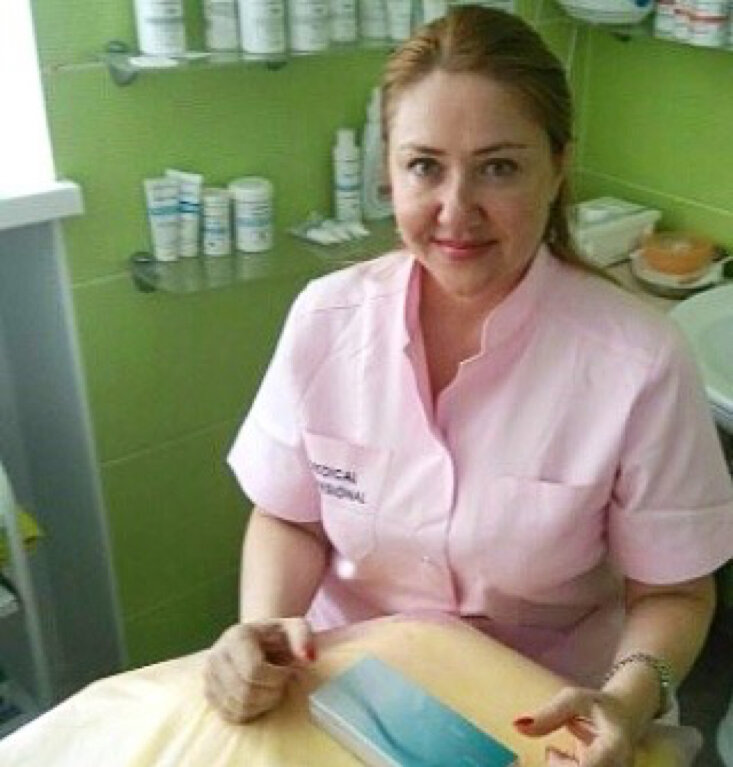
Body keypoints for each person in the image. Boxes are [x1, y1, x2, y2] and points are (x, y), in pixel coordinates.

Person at [205, 6, 733, 764]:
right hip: (348, 696)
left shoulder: (638, 362)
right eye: (425, 166)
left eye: (499, 167)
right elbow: (289, 517)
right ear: (388, 171)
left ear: (557, 168)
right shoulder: (326, 320)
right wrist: (260, 628)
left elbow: (674, 591)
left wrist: (624, 699)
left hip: (550, 718)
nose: (456, 211)